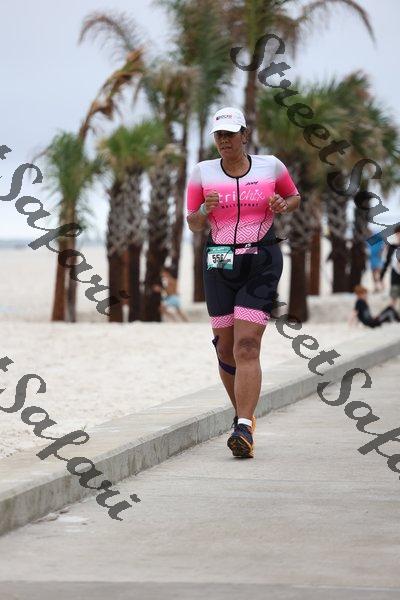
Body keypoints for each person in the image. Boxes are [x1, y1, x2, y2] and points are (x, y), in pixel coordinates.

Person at [186, 106, 301, 458]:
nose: (224, 141)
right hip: (219, 261)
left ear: (244, 135)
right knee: (225, 348)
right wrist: (203, 211)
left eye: (230, 134)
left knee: (247, 345)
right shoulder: (202, 172)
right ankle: (243, 416)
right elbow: (192, 222)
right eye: (219, 135)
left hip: (261, 260)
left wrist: (283, 204)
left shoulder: (271, 166)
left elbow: (294, 197)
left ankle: (244, 427)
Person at [379, 225, 400, 309]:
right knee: (393, 298)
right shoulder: (392, 247)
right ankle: (392, 313)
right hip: (395, 276)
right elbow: (387, 262)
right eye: (398, 234)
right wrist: (381, 276)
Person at [366, 228, 384, 292]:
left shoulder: (377, 236)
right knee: (374, 273)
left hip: (377, 258)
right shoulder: (368, 239)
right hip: (372, 258)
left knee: (378, 272)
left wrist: (381, 253)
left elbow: (382, 246)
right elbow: (367, 248)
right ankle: (377, 287)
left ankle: (381, 286)